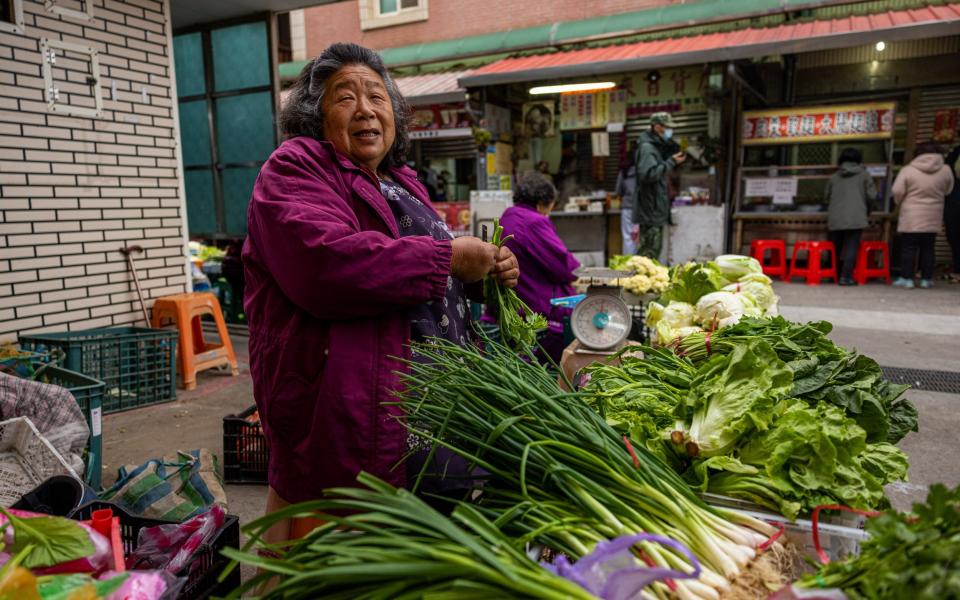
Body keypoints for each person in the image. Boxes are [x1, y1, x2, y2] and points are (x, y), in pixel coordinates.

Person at [242, 43, 519, 542]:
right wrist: (450, 257)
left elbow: (423, 285)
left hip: (425, 407)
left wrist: (483, 275)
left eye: (378, 96)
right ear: (315, 115)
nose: (366, 109)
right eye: (345, 97)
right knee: (336, 559)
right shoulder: (294, 169)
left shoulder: (399, 181)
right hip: (345, 407)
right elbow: (326, 265)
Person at [491, 172, 580, 363]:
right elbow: (564, 267)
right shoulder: (534, 221)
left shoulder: (508, 216)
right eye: (550, 208)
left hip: (515, 301)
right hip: (532, 308)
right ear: (541, 204)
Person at [891, 141, 954, 288]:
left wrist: (900, 202)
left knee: (908, 247)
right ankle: (926, 279)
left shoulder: (908, 170)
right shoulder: (946, 170)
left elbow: (897, 191)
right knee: (928, 248)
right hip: (933, 214)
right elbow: (948, 190)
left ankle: (907, 279)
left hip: (911, 214)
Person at [633, 112, 686, 259]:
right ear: (657, 127)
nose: (669, 131)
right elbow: (648, 174)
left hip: (654, 209)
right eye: (667, 127)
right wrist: (671, 162)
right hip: (650, 210)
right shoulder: (647, 148)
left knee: (653, 251)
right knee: (648, 253)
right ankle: (638, 281)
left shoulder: (655, 147)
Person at [825, 147, 877, 286]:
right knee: (851, 247)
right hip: (856, 216)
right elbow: (872, 196)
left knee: (835, 247)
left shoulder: (834, 177)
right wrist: (868, 209)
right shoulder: (865, 175)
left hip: (835, 217)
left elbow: (826, 197)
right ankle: (846, 277)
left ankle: (832, 275)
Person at [616, 140, 639, 255]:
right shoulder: (644, 171)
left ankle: (628, 267)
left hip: (627, 208)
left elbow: (618, 191)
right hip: (642, 208)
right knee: (640, 240)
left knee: (628, 239)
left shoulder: (624, 171)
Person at [945, 142, 960, 282]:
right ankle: (957, 270)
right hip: (954, 200)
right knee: (954, 237)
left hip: (954, 201)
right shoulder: (954, 153)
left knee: (954, 236)